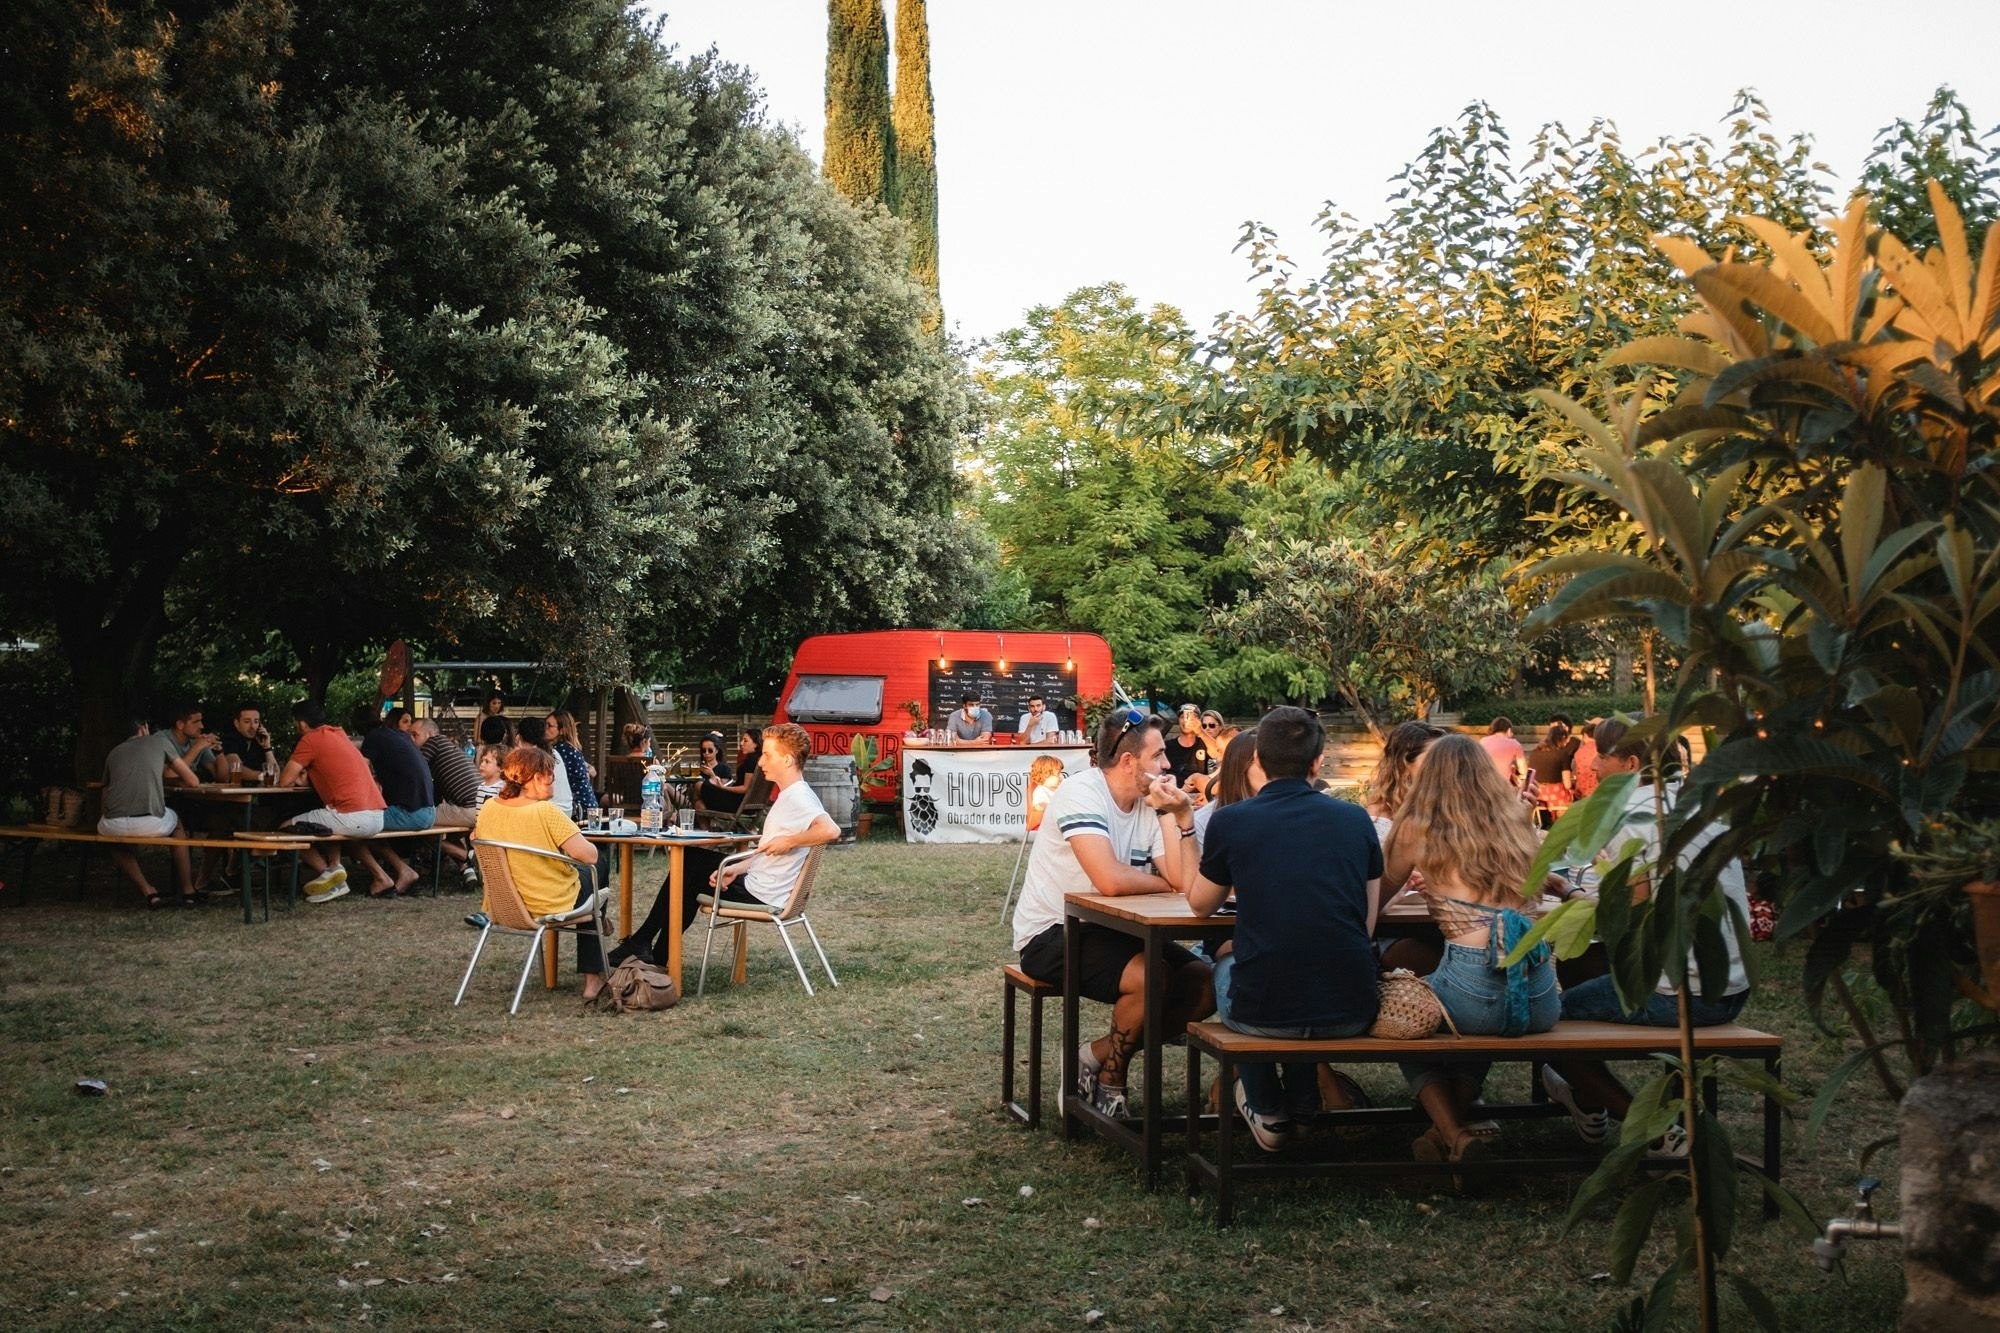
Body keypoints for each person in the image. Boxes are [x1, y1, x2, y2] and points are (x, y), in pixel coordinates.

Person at [1541, 717, 1754, 1146]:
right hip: (1731, 984)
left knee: (1546, 1022)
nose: (1593, 764)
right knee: (1586, 972)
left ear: (1632, 763)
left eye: (1601, 755)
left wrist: (1568, 891)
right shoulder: (1701, 806)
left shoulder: (1634, 815)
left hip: (1681, 995)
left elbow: (1628, 923)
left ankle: (1648, 1127)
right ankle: (1590, 1101)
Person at [1188, 708, 1382, 1150]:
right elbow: (1365, 924)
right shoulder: (1355, 820)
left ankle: (1267, 1107)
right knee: (1297, 965)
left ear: (1257, 758)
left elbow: (1200, 906)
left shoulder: (1232, 821)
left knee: (1228, 971)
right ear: (1318, 762)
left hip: (1264, 1014)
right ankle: (1303, 1104)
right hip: (1352, 1008)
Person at [1010, 707, 1212, 1119]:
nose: (1167, 764)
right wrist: (1165, 884)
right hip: (1052, 932)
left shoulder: (1147, 805)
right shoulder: (1081, 793)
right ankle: (1112, 1077)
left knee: (1204, 982)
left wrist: (1173, 813)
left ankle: (1095, 1055)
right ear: (1127, 761)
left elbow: (1182, 877)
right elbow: (1111, 880)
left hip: (1116, 931)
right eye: (1157, 756)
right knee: (1150, 977)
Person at [1382, 734, 1559, 1170]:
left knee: (1398, 1016)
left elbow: (1376, 898)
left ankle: (1452, 1133)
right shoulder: (1517, 819)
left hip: (1475, 988)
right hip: (1541, 996)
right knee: (1481, 1022)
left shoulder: (1417, 825)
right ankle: (1451, 1127)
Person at [610, 723, 840, 964]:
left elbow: (830, 830)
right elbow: (768, 852)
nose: (761, 763)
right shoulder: (792, 794)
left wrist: (790, 841)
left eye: (767, 755)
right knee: (690, 868)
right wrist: (737, 867)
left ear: (787, 760)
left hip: (761, 894)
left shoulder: (798, 797)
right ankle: (652, 953)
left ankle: (645, 946)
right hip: (758, 882)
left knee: (689, 868)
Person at [473, 745, 606, 1003]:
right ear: (535, 777)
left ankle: (598, 917)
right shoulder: (545, 812)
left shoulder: (489, 807)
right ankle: (592, 975)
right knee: (600, 865)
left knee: (590, 883)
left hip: (504, 905)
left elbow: (476, 838)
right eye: (551, 775)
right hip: (548, 902)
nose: (555, 781)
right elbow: (589, 855)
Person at [278, 700, 388, 903]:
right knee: (324, 819)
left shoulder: (310, 739)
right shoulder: (339, 735)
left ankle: (331, 876)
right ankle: (335, 868)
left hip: (352, 816)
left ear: (302, 724)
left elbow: (284, 781)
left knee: (286, 828)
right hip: (377, 815)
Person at [1364, 720, 1449, 975]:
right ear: (1404, 767)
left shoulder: (1445, 813)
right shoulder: (1377, 821)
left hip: (1442, 926)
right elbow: (1372, 898)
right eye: (1432, 763)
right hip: (1395, 932)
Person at [97, 718, 203, 907]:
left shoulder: (114, 752)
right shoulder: (159, 742)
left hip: (111, 824)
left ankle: (148, 891)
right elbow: (193, 781)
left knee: (115, 841)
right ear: (143, 728)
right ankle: (188, 890)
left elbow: (105, 793)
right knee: (177, 823)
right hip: (149, 822)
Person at [356, 713, 435, 897]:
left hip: (411, 812)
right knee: (368, 826)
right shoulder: (401, 738)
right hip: (428, 811)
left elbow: (361, 772)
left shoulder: (373, 738)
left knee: (354, 825)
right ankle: (403, 871)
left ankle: (387, 877)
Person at [1526, 718, 1579, 829]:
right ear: (1563, 738)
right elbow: (1568, 784)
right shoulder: (1562, 754)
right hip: (1556, 797)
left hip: (1538, 795)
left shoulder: (1534, 753)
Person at [515, 716, 572, 813]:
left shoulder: (531, 756)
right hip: (566, 809)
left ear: (519, 737)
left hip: (549, 810)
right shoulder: (553, 752)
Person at [547, 711, 598, 819]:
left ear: (561, 730)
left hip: (579, 808)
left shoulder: (560, 750)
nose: (545, 729)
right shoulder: (569, 748)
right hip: (589, 805)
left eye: (549, 726)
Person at [214, 705, 275, 783]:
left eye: (256, 721)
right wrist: (263, 776)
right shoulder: (229, 739)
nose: (252, 726)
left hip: (258, 792)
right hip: (235, 792)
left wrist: (267, 748)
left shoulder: (259, 741)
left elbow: (275, 774)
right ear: (237, 723)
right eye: (247, 721)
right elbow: (237, 768)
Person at [165, 704, 220, 782]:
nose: (202, 726)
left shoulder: (196, 740)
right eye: (196, 722)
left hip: (188, 792)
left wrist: (219, 752)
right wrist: (197, 747)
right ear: (180, 724)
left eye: (201, 721)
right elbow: (170, 775)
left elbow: (221, 777)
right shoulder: (162, 741)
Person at [1163, 703, 1214, 783]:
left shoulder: (1204, 744)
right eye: (1182, 717)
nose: (1186, 720)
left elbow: (1218, 754)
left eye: (1191, 717)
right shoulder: (1167, 746)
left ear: (1198, 721)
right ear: (1178, 721)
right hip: (1174, 792)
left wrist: (1200, 731)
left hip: (1200, 793)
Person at [692, 732, 737, 814]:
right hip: (698, 802)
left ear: (717, 750)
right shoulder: (697, 768)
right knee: (699, 804)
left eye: (710, 750)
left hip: (719, 803)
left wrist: (712, 774)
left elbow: (722, 790)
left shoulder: (724, 769)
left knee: (698, 785)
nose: (706, 753)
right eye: (703, 750)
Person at [1478, 716, 1527, 788]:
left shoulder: (1482, 741)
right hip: (1503, 787)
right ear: (1509, 730)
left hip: (1483, 785)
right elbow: (1523, 771)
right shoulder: (1514, 744)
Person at [1025, 754, 1065, 833]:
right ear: (1044, 776)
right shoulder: (1041, 791)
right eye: (1057, 774)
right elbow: (1039, 806)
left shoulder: (1063, 785)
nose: (1061, 776)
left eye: (1061, 773)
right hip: (1047, 820)